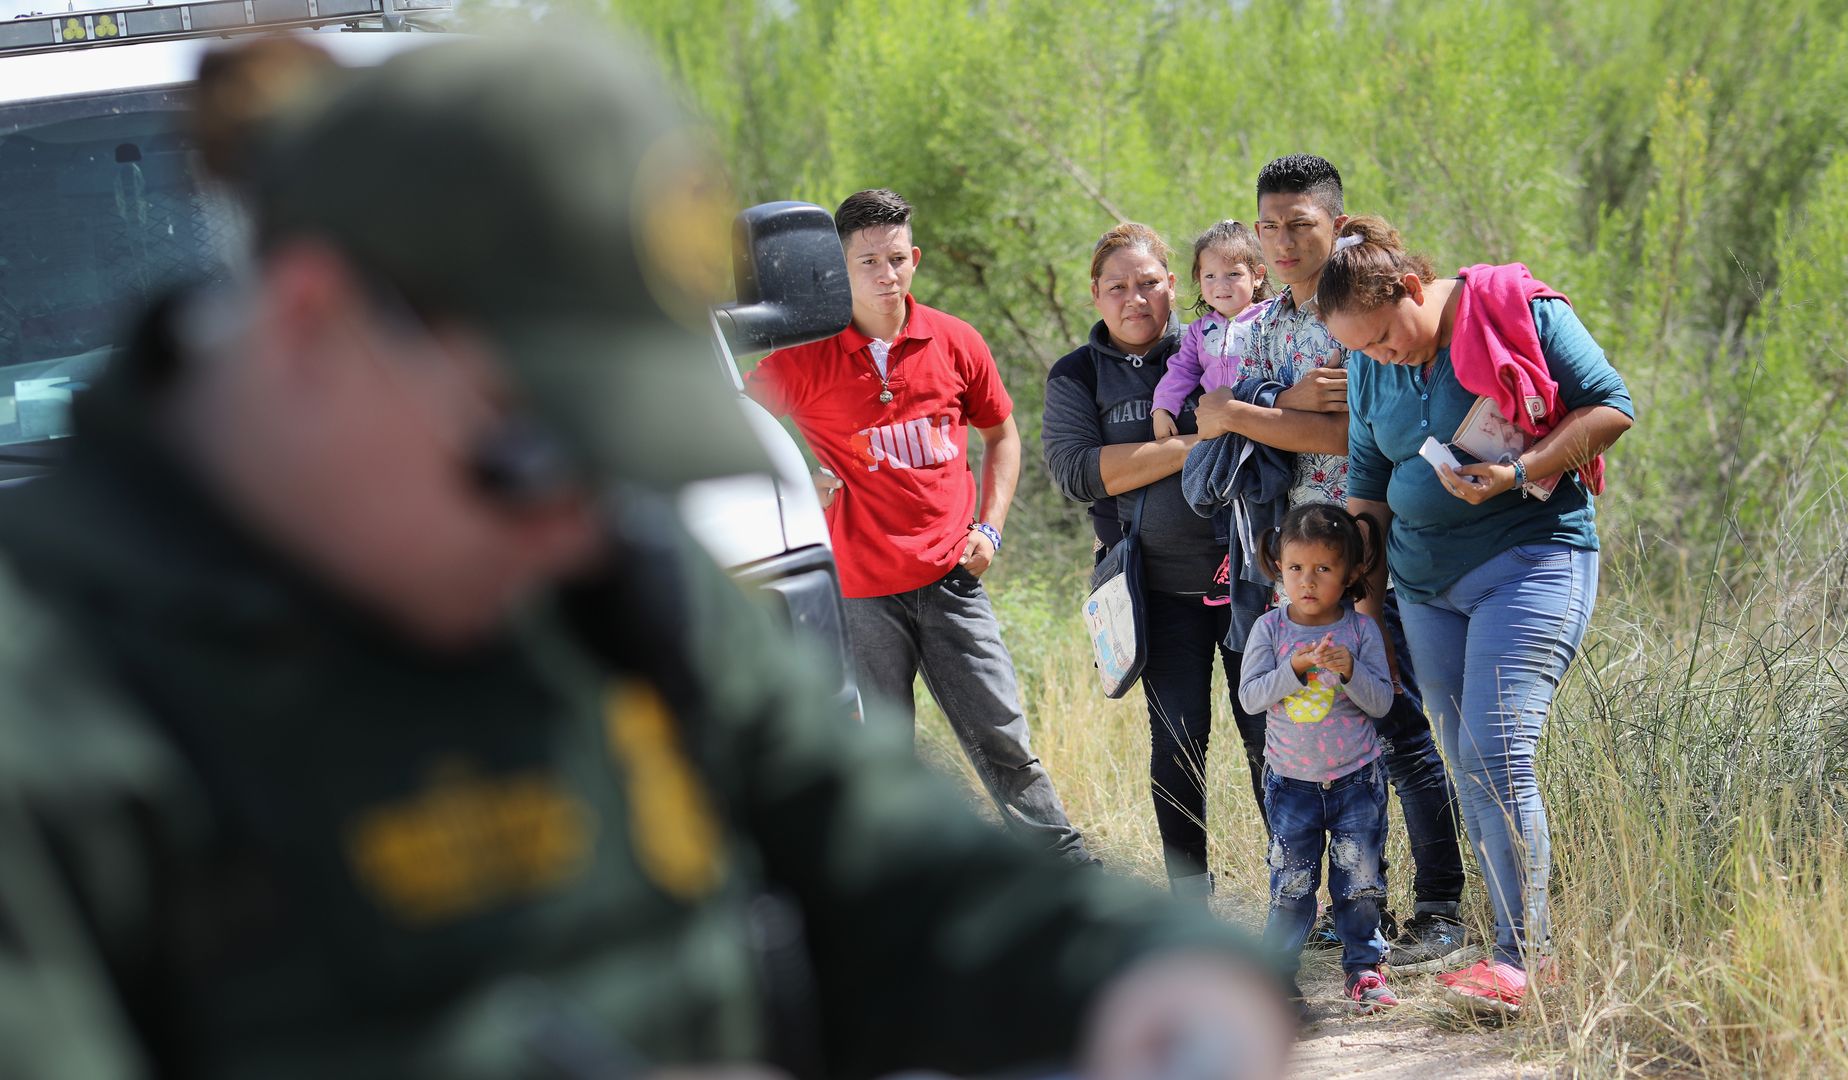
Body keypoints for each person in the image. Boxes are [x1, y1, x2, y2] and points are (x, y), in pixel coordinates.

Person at [0, 38, 1298, 1078]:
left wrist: (1152, 974)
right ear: (315, 328)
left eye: (625, 464)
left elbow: (893, 860)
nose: (582, 521)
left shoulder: (613, 588)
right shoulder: (54, 706)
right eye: (535, 450)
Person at [1323, 213, 1635, 1012]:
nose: (1380, 357)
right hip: (1426, 589)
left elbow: (1611, 407)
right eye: (1362, 349)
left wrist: (1519, 469)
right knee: (1467, 761)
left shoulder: (1518, 310)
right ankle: (1515, 953)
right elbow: (1364, 484)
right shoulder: (1370, 366)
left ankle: (1525, 960)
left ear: (1414, 289)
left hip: (1531, 560)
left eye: (1386, 337)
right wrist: (1359, 603)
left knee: (1498, 752)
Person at [742, 188, 1088, 863]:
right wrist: (794, 473)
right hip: (861, 593)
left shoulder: (954, 341)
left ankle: (1069, 874)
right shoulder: (806, 357)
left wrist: (989, 531)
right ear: (839, 269)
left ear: (915, 259)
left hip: (952, 579)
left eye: (897, 258)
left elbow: (1004, 436)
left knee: (1004, 740)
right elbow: (726, 420)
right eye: (867, 261)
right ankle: (900, 901)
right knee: (881, 756)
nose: (885, 275)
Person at [1199, 154, 1474, 975]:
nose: (1282, 241)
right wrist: (1258, 411)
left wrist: (1242, 414)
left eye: (1300, 224)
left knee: (1396, 726)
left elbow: (1352, 440)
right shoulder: (1269, 321)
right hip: (1294, 562)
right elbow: (1239, 421)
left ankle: (1440, 904)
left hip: (1369, 552)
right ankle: (1351, 908)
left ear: (1336, 223)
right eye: (1269, 226)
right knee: (1308, 725)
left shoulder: (1358, 310)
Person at [1041, 224, 1264, 897]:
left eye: (1149, 283)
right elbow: (1079, 472)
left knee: (1271, 743)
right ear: (1095, 294)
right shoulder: (1078, 373)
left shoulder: (1214, 343)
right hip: (1155, 593)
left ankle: (1298, 892)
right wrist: (1198, 441)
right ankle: (1189, 902)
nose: (1135, 298)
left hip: (1252, 580)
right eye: (1118, 287)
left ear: (1176, 285)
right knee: (1177, 745)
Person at [1239, 504, 1397, 1016]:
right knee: (1291, 885)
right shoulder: (1269, 629)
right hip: (1291, 785)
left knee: (1359, 884)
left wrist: (1351, 671)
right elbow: (1251, 697)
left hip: (1356, 781)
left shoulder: (1360, 631)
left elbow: (1382, 704)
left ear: (1350, 573)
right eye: (1295, 569)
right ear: (1277, 568)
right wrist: (1294, 669)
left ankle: (1364, 970)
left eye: (1323, 569)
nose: (1307, 581)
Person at [1149, 220, 1273, 443]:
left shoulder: (1271, 318)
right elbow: (1181, 371)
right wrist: (1162, 408)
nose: (1221, 284)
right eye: (1210, 276)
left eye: (1233, 274)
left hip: (1265, 422)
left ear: (1258, 276)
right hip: (1218, 429)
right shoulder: (1199, 331)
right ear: (1198, 278)